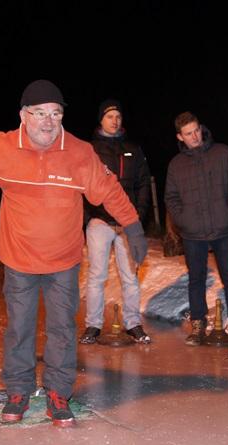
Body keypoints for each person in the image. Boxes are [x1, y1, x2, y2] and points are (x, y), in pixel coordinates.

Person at [0, 80, 147, 426]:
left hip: (63, 261)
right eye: (40, 113)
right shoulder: (1, 147)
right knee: (20, 328)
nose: (48, 121)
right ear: (23, 115)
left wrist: (132, 225)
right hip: (19, 259)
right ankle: (18, 390)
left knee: (62, 330)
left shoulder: (80, 153)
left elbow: (108, 189)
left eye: (55, 113)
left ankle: (58, 392)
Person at [164, 111, 228, 346]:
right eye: (188, 133)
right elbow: (171, 197)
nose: (194, 136)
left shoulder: (223, 153)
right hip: (193, 233)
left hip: (224, 229)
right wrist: (184, 220)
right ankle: (198, 324)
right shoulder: (176, 164)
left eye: (196, 130)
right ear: (180, 137)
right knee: (196, 279)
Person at [80, 99, 152, 345]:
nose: (115, 120)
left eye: (118, 116)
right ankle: (93, 325)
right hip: (100, 222)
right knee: (96, 276)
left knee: (130, 277)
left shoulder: (133, 148)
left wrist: (138, 215)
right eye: (109, 116)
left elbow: (143, 184)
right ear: (101, 120)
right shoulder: (90, 149)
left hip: (127, 223)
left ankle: (133, 324)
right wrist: (89, 216)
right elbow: (82, 185)